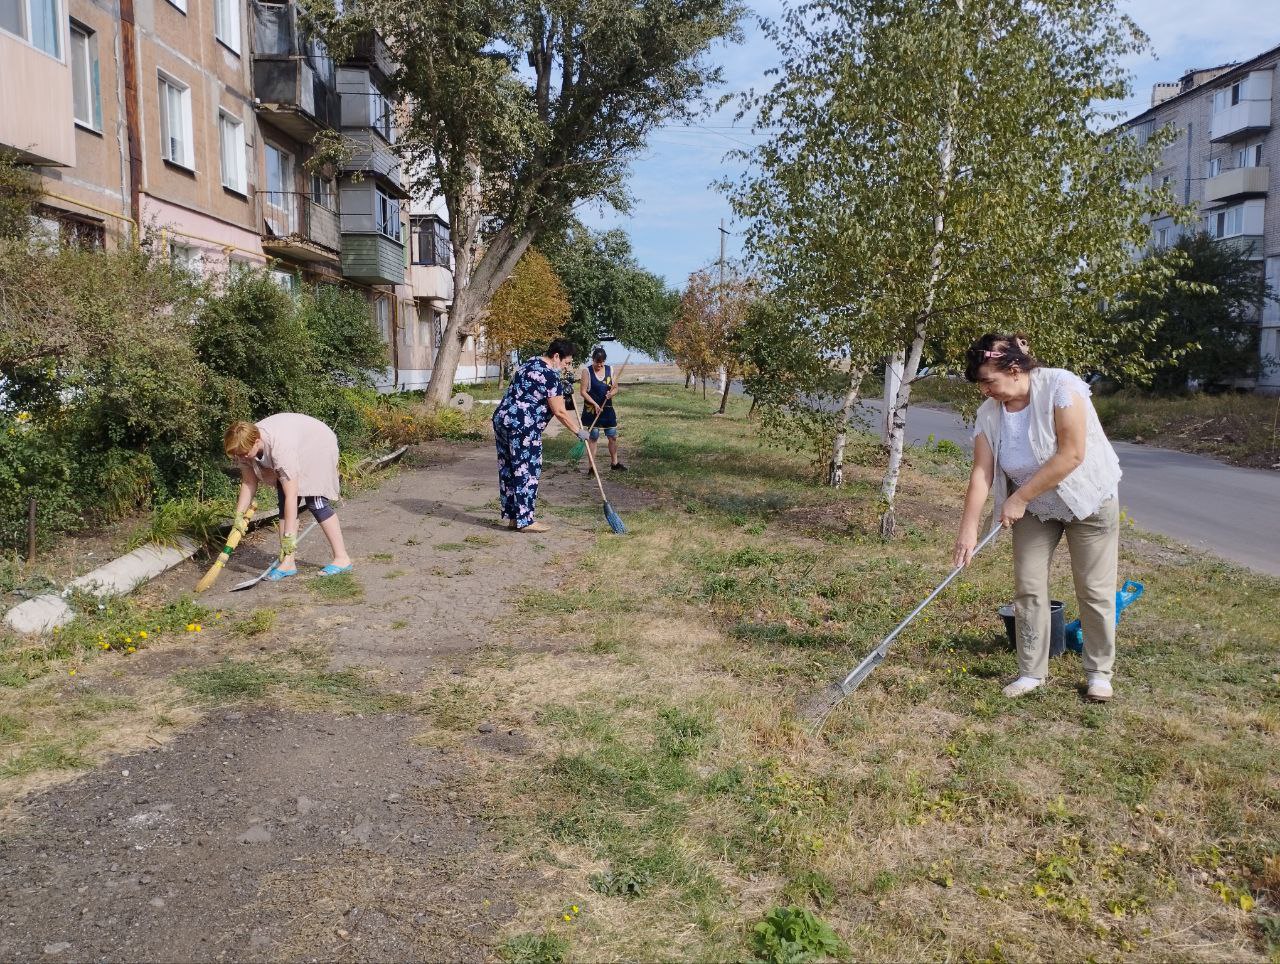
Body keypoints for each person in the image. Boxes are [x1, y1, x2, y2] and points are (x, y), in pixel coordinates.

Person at [952, 334, 1122, 702]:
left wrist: (1019, 497)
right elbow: (982, 473)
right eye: (980, 384)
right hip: (1035, 510)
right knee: (1028, 588)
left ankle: (1098, 673)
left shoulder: (1061, 386)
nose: (984, 391)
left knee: (1094, 589)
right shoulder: (990, 413)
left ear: (1014, 369)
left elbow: (1072, 454)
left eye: (988, 381)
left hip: (1087, 501)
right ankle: (1032, 671)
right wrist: (967, 531)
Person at [224, 414, 352, 580]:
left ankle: (342, 558)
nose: (241, 458)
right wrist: (239, 517)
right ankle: (288, 562)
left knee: (316, 501)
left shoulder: (280, 447)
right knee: (283, 500)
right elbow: (249, 482)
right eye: (237, 455)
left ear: (256, 442)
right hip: (294, 443)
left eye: (243, 454)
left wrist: (289, 538)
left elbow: (293, 495)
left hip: (316, 444)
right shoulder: (244, 445)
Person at [493, 338, 588, 533]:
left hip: (502, 420)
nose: (566, 367)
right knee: (526, 470)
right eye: (566, 363)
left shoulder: (529, 363)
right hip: (523, 426)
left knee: (509, 469)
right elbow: (560, 411)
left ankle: (514, 518)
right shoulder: (550, 375)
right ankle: (526, 521)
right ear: (556, 356)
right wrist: (578, 431)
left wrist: (562, 391)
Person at [579, 346, 626, 471]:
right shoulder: (586, 372)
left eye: (601, 362)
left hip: (607, 410)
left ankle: (614, 464)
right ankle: (591, 467)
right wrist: (594, 403)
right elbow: (583, 392)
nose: (599, 365)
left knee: (612, 436)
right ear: (592, 359)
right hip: (592, 410)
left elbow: (616, 388)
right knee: (593, 437)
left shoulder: (610, 370)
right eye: (597, 362)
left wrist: (611, 393)